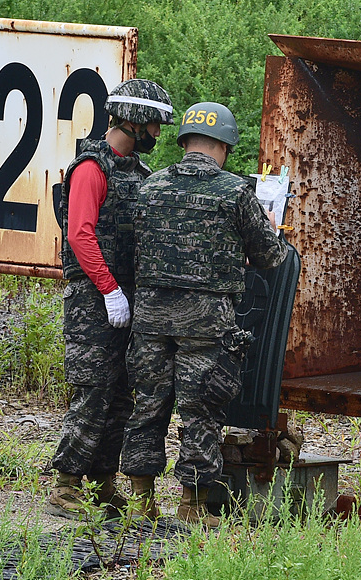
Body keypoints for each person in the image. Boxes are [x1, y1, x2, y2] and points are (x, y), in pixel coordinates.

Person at [121, 101, 288, 527]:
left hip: (151, 320)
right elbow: (270, 258)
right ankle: (192, 506)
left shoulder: (150, 186)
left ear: (184, 141)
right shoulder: (236, 192)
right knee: (201, 412)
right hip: (206, 324)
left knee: (147, 406)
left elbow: (132, 249)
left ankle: (141, 502)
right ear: (225, 146)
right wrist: (268, 229)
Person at [45, 78, 175, 520]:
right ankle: (65, 486)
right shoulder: (90, 168)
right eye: (155, 125)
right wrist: (109, 289)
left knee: (121, 394)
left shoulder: (137, 174)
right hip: (93, 300)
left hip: (125, 299)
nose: (158, 135)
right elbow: (80, 233)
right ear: (135, 122)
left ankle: (102, 485)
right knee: (94, 390)